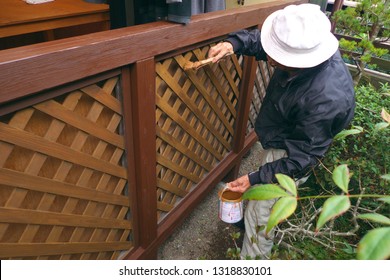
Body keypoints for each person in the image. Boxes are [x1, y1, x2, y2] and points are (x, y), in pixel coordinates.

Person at [208, 3, 355, 259]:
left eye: (277, 57)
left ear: (299, 61)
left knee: (263, 214)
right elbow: (266, 44)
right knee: (258, 199)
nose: (269, 58)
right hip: (288, 137)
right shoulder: (308, 48)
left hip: (292, 153)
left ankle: (252, 261)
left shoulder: (326, 100)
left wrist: (254, 178)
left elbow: (302, 159)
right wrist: (235, 43)